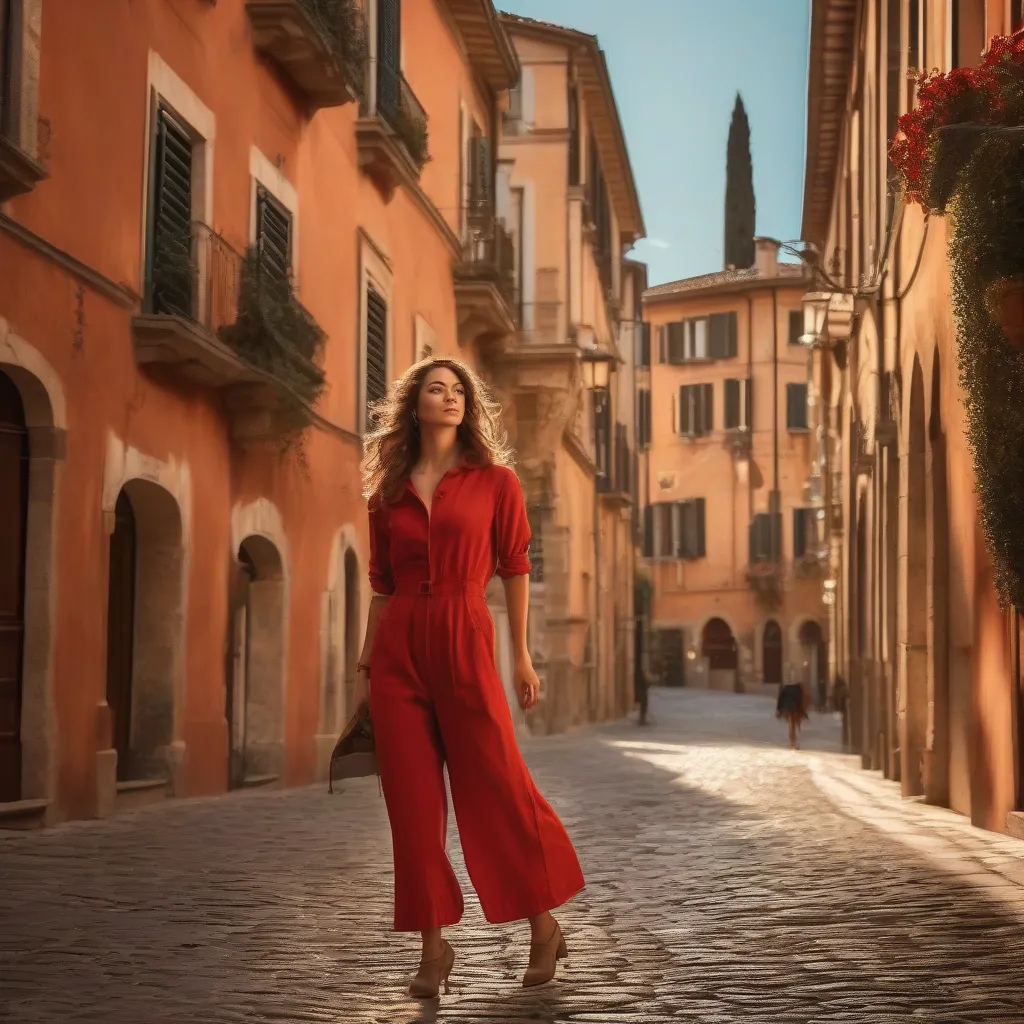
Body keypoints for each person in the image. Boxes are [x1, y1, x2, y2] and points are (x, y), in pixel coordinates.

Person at [354, 356, 585, 999]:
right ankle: (433, 949)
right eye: (436, 389)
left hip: (465, 632)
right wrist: (366, 665)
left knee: (496, 785)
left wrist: (520, 654)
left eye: (459, 391)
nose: (449, 398)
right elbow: (380, 584)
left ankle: (543, 924)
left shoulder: (496, 482)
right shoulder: (388, 494)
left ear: (468, 406)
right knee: (412, 804)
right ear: (414, 404)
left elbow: (515, 566)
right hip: (400, 645)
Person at [775, 674, 810, 750]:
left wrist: (778, 709)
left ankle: (792, 741)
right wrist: (803, 711)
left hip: (788, 708)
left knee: (792, 724)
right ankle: (795, 741)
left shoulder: (785, 689)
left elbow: (780, 699)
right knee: (795, 724)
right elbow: (801, 701)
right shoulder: (799, 691)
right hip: (795, 709)